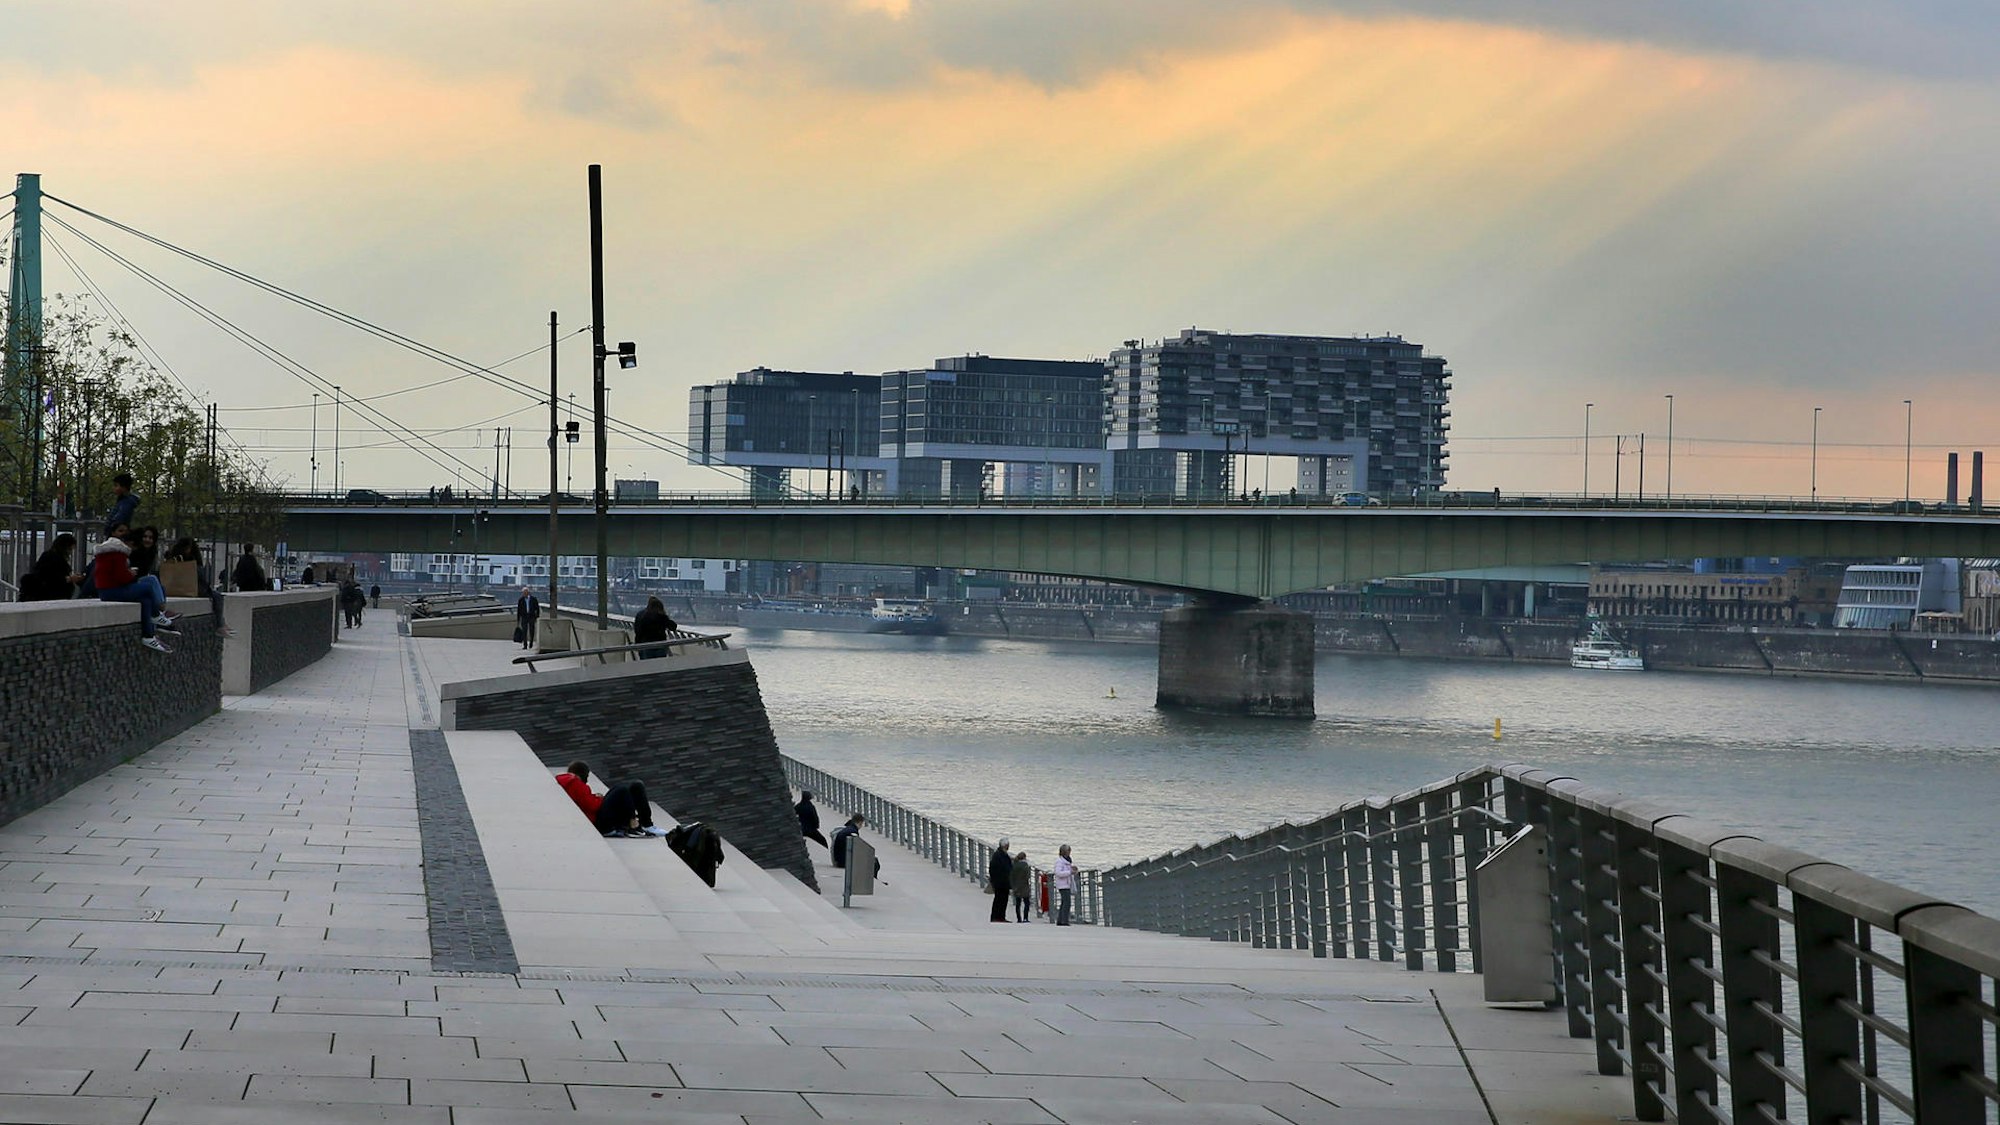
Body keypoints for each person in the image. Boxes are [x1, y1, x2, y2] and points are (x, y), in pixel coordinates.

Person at [93, 525, 179, 652]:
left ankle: (148, 636)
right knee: (148, 587)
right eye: (134, 547)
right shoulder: (118, 554)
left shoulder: (108, 552)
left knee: (145, 600)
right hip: (112, 591)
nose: (132, 550)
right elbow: (121, 576)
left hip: (107, 590)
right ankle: (157, 615)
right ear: (130, 543)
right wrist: (131, 573)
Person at [554, 760, 657, 838]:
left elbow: (584, 801)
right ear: (582, 774)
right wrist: (600, 799)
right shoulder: (576, 783)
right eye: (587, 776)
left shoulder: (567, 782)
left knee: (634, 787)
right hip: (602, 824)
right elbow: (592, 806)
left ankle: (643, 824)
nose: (587, 780)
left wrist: (595, 797)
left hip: (599, 819)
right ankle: (634, 826)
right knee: (622, 790)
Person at [165, 537, 229, 634]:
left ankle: (223, 623)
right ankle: (220, 625)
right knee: (218, 597)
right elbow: (201, 578)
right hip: (193, 589)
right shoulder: (192, 562)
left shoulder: (172, 559)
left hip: (174, 589)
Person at [20, 533, 82, 601]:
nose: (70, 553)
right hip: (49, 596)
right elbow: (51, 579)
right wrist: (70, 579)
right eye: (70, 549)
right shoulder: (53, 558)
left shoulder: (50, 556)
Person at [988, 838, 1014, 924]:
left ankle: (999, 916)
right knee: (1000, 900)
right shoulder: (999, 856)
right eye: (1007, 845)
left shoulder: (999, 855)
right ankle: (998, 916)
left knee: (1002, 900)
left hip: (1002, 882)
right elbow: (1001, 869)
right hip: (1001, 883)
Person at [1053, 844, 1077, 926]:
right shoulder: (1059, 861)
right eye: (1068, 851)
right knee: (1067, 902)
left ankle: (1060, 920)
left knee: (1064, 902)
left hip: (1067, 883)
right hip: (1062, 884)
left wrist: (1072, 870)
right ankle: (1064, 920)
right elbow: (1058, 873)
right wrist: (1069, 872)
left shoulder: (1068, 861)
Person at [1010, 850, 1031, 922]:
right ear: (1024, 858)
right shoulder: (1025, 865)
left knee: (1018, 904)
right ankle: (1025, 918)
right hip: (1024, 886)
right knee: (1027, 903)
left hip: (1016, 887)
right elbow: (1027, 876)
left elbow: (1011, 876)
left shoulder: (1014, 865)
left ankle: (1019, 919)